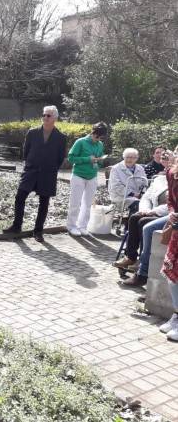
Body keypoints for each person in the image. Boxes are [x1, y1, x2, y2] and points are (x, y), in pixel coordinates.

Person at [2, 105, 67, 242]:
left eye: (48, 115)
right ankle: (16, 226)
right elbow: (26, 151)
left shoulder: (61, 137)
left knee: (44, 203)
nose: (45, 117)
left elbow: (60, 157)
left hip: (48, 174)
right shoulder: (32, 132)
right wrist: (30, 164)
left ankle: (38, 231)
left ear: (55, 118)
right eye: (43, 115)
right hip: (31, 171)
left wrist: (51, 168)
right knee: (20, 197)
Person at [113, 150, 172, 285]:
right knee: (135, 217)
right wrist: (145, 209)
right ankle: (131, 257)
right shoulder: (159, 179)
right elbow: (146, 196)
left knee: (144, 222)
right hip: (152, 211)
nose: (166, 165)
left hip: (164, 214)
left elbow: (171, 205)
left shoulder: (173, 180)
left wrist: (153, 212)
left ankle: (142, 264)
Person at [66, 122, 108, 236]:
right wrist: (87, 159)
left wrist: (99, 162)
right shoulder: (80, 142)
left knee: (88, 203)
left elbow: (99, 159)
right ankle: (71, 226)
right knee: (75, 202)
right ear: (92, 132)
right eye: (96, 136)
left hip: (92, 176)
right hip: (78, 175)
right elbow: (71, 157)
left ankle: (82, 226)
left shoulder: (100, 145)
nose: (98, 139)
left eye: (100, 137)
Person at [159, 147, 178, 341]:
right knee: (171, 272)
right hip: (177, 228)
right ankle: (176, 314)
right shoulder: (172, 173)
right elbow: (171, 200)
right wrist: (172, 212)